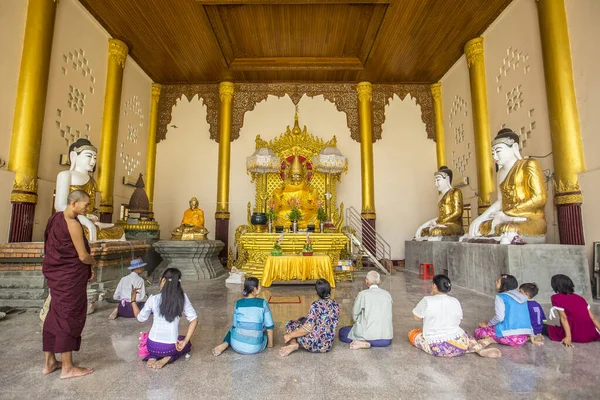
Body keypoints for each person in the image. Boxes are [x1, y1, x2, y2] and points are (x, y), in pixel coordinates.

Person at [42, 190, 96, 379]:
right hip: (70, 278)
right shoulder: (72, 224)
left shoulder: (54, 218)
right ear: (74, 203)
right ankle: (67, 367)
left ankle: (49, 362)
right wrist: (93, 262)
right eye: (86, 204)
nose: (88, 207)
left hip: (57, 275)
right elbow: (82, 256)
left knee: (54, 314)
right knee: (68, 317)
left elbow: (49, 245)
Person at [409, 275, 500, 358]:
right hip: (460, 342)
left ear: (434, 286)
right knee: (463, 333)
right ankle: (479, 348)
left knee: (413, 333)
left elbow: (416, 317)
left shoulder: (427, 300)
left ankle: (474, 347)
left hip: (439, 348)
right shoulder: (455, 300)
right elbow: (459, 319)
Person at [131, 268, 198, 369]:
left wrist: (133, 301)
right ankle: (168, 357)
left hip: (151, 346)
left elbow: (140, 318)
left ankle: (153, 356)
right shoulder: (182, 297)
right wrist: (184, 342)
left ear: (163, 280)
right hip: (170, 348)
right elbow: (194, 320)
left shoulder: (153, 299)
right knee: (186, 343)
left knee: (156, 339)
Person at [212, 277, 274, 356]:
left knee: (232, 329)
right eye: (259, 286)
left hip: (236, 345)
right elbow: (270, 327)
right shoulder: (263, 303)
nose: (261, 287)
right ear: (254, 289)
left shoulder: (238, 303)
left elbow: (235, 324)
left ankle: (226, 343)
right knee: (264, 331)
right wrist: (270, 344)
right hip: (255, 348)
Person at [279, 279, 339, 357]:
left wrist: (289, 335)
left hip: (313, 343)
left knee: (291, 324)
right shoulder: (335, 305)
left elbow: (307, 329)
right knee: (302, 320)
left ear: (317, 292)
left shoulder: (316, 305)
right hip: (327, 345)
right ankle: (294, 342)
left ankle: (294, 344)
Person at [338, 271, 393, 349]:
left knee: (342, 332)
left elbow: (355, 316)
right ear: (380, 282)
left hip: (369, 336)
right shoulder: (387, 294)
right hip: (386, 339)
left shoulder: (362, 294)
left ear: (366, 281)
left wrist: (359, 323)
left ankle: (364, 342)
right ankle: (366, 342)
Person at [475, 274, 533, 348]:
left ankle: (492, 339)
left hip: (510, 337)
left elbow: (499, 318)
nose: (496, 282)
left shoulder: (501, 297)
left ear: (504, 285)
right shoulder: (524, 298)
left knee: (479, 330)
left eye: (498, 281)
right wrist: (532, 334)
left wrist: (488, 324)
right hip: (522, 338)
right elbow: (526, 317)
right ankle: (493, 339)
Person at [542, 274, 600, 347]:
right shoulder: (580, 298)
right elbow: (593, 318)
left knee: (541, 326)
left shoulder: (556, 297)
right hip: (591, 335)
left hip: (574, 334)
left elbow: (564, 318)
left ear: (555, 286)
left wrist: (568, 337)